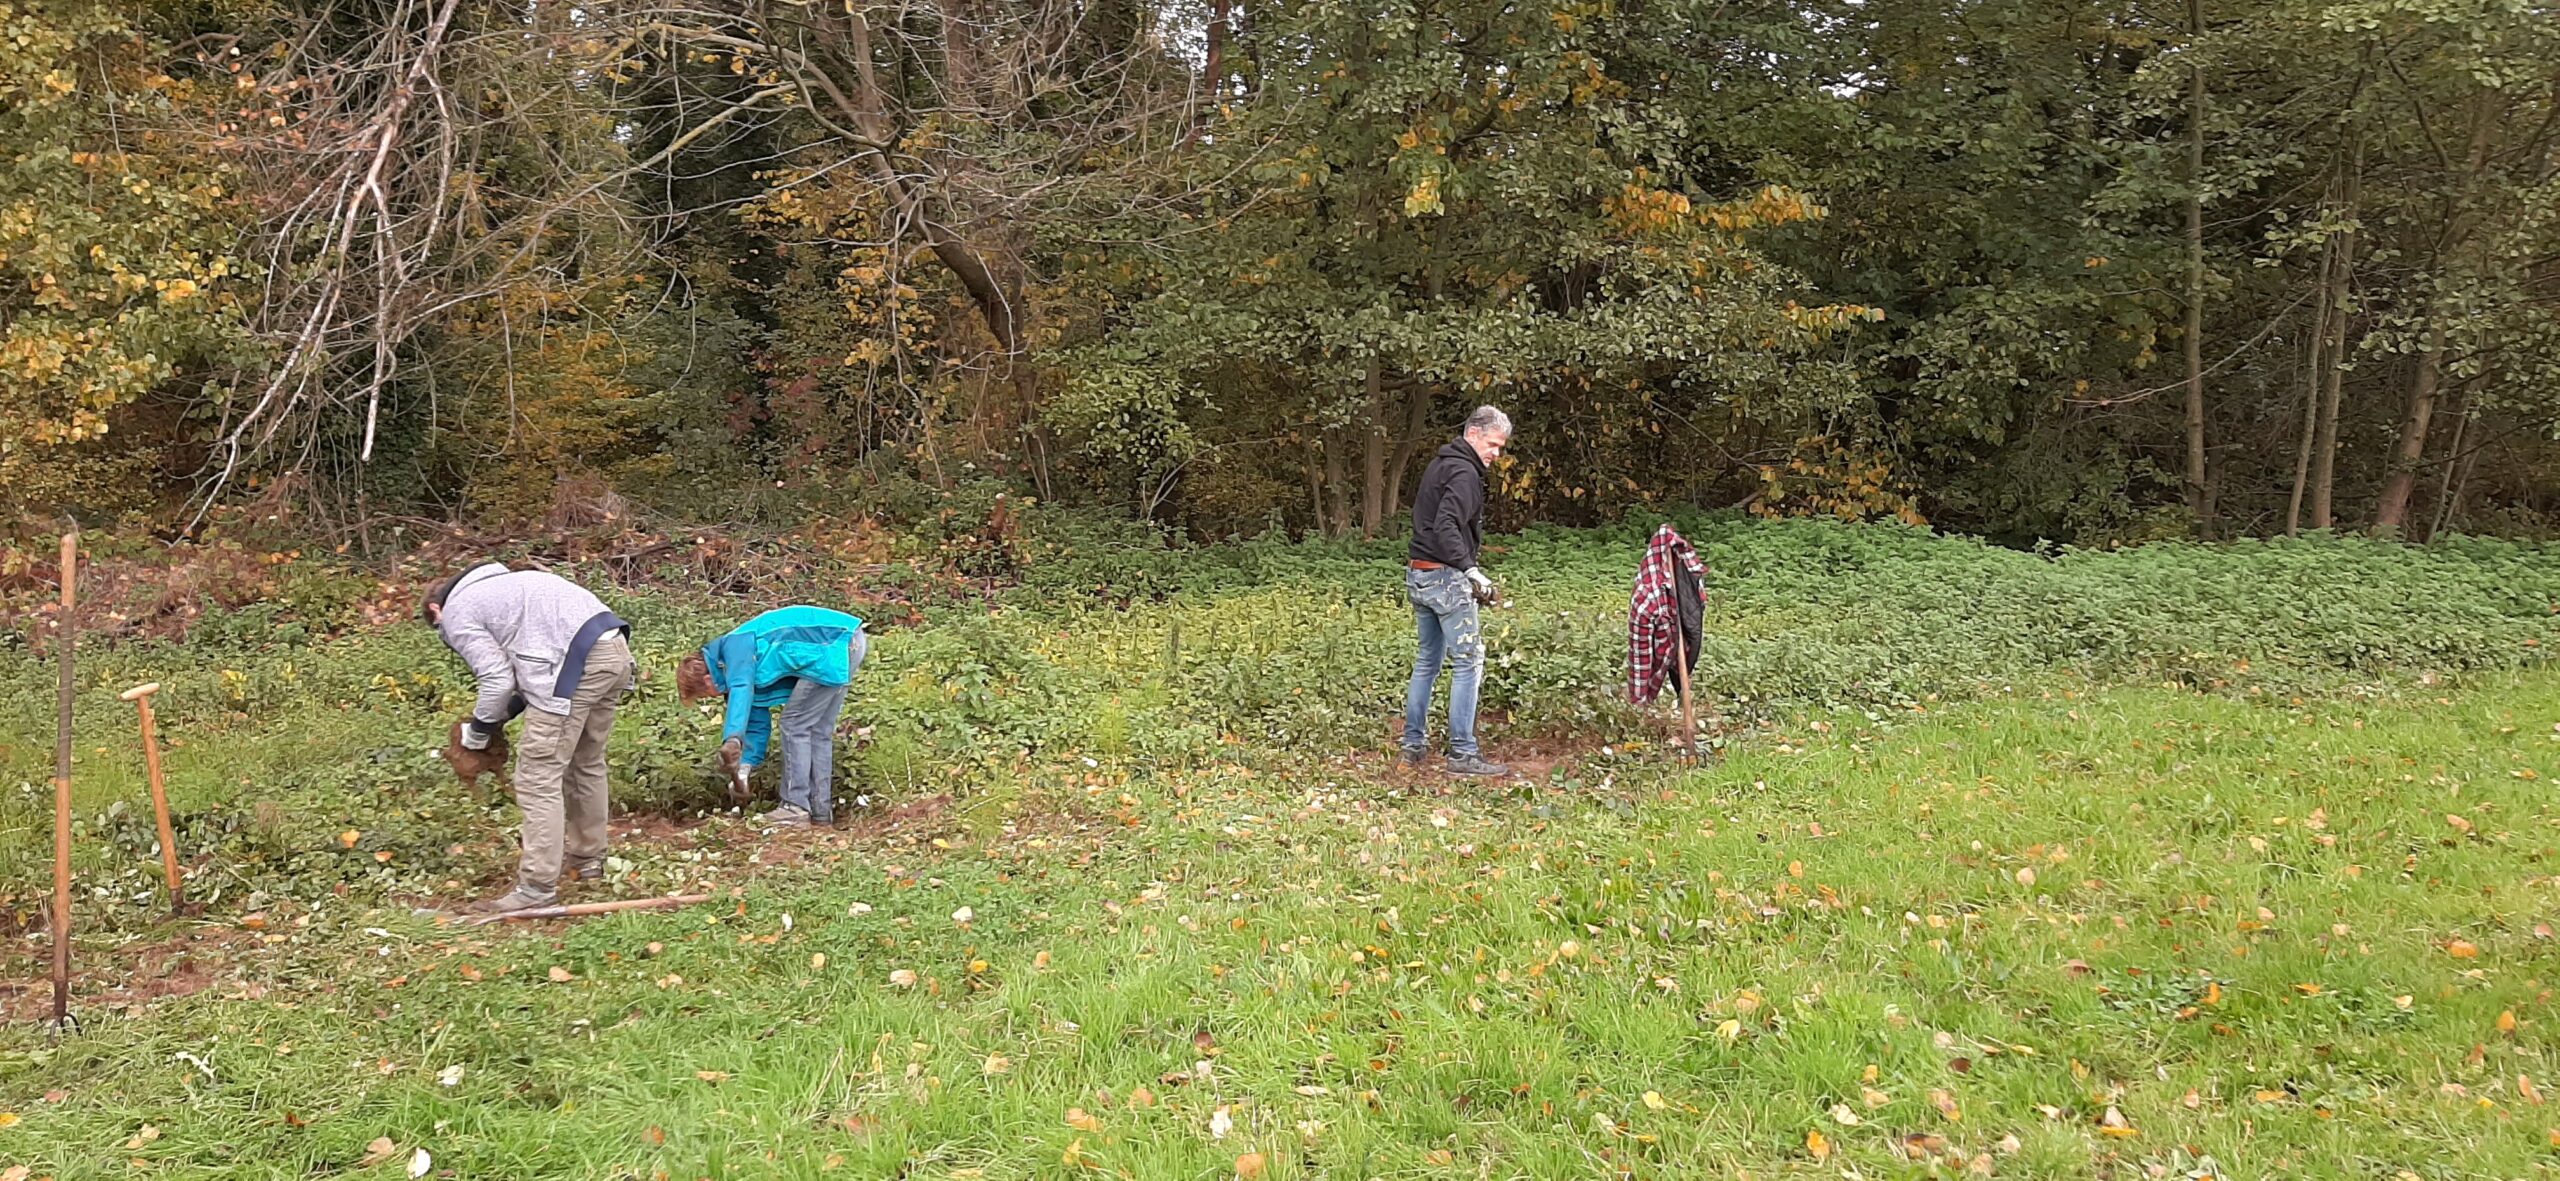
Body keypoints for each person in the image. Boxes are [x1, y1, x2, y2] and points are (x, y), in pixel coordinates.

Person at [421, 562, 633, 915]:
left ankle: (537, 887)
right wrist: (501, 715)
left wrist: (478, 732)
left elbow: (498, 680)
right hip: (614, 653)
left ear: (435, 609)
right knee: (585, 762)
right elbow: (526, 675)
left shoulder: (457, 610)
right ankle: (587, 861)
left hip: (576, 667)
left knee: (537, 776)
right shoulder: (507, 587)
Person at [678, 605, 870, 828]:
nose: (711, 698)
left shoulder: (733, 646)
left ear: (707, 680)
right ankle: (820, 814)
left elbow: (741, 687)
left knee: (794, 725)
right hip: (845, 642)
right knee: (817, 731)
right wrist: (742, 771)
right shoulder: (737, 666)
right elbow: (756, 725)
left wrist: (732, 738)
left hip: (832, 641)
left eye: (704, 695)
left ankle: (794, 807)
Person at [1403, 404, 1512, 777]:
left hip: (1419, 573)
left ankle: (1413, 744)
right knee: (1469, 661)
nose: (1496, 453)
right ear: (1473, 433)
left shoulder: (1441, 464)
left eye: (1500, 447)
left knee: (1427, 661)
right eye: (1493, 444)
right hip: (1445, 579)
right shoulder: (1465, 473)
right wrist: (1471, 571)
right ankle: (1463, 754)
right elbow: (1446, 524)